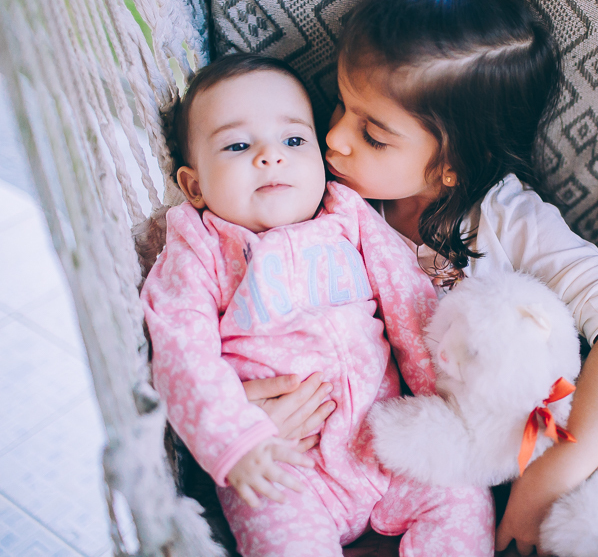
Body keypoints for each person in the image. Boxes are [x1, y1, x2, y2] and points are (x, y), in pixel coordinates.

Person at [248, 0, 598, 556]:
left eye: (373, 134)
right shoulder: (317, 193)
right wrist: (244, 407)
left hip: (489, 471)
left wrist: (547, 477)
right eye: (341, 106)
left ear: (453, 164)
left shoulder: (506, 221)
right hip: (350, 462)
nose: (335, 139)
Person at [141, 53, 494, 557]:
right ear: (195, 185)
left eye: (293, 140)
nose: (270, 156)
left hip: (385, 438)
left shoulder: (346, 214)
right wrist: (234, 440)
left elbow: (409, 304)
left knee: (462, 494)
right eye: (239, 145)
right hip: (281, 460)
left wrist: (442, 402)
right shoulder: (200, 246)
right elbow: (180, 350)